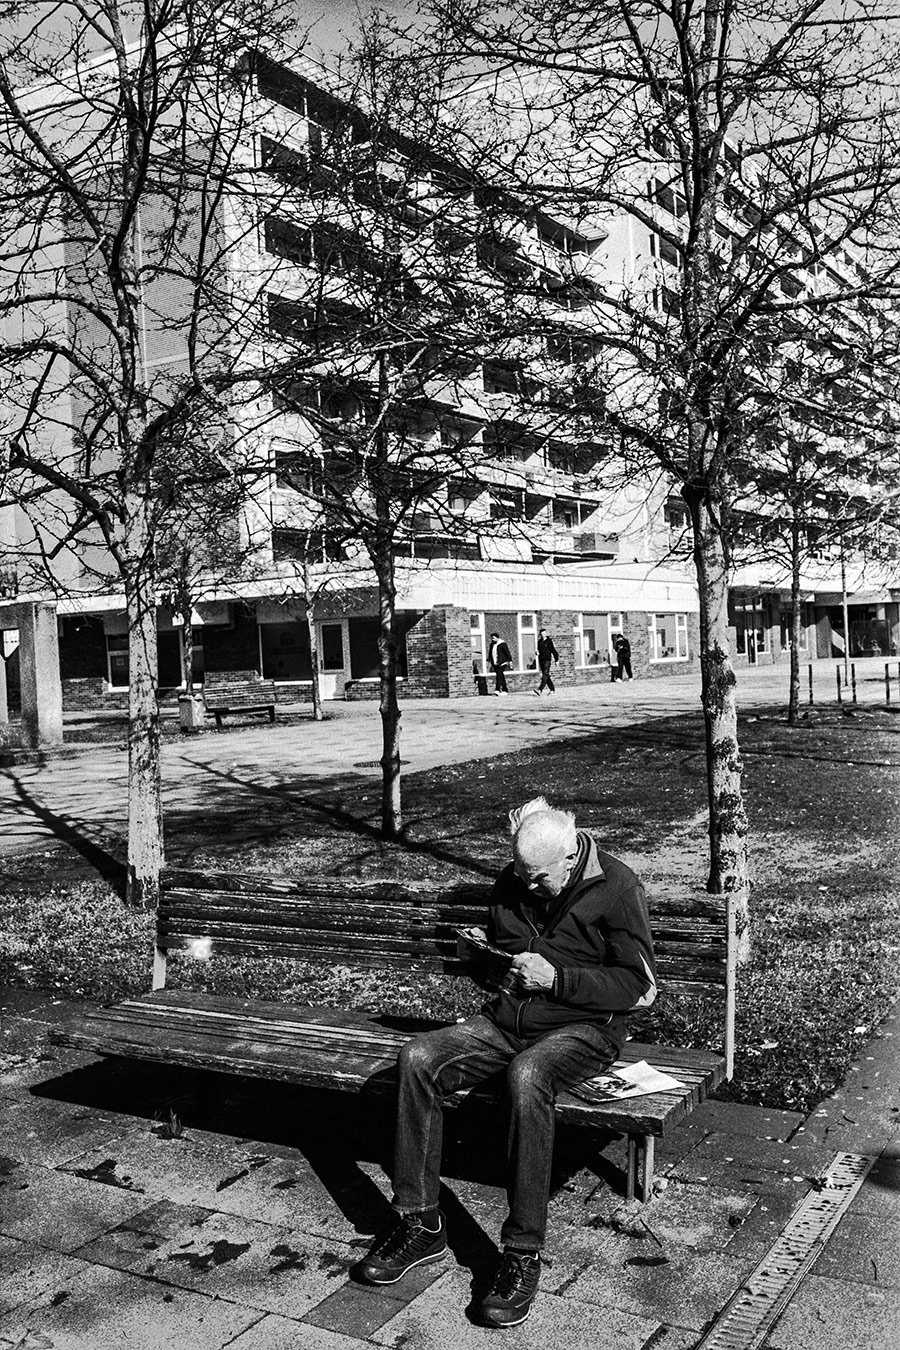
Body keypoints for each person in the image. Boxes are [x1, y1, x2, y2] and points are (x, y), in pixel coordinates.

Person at [359, 797, 657, 1328]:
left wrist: (559, 980)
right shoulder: (514, 880)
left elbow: (639, 988)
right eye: (522, 875)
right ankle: (422, 1223)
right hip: (507, 1022)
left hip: (585, 1030)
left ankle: (522, 1253)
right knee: (418, 1057)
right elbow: (501, 950)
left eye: (539, 878)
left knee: (529, 1076)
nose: (529, 886)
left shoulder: (618, 886)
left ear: (570, 856)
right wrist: (487, 964)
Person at [534, 628, 559, 695]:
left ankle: (540, 689)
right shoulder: (539, 642)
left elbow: (553, 650)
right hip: (541, 660)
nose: (543, 635)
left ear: (546, 634)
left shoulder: (549, 641)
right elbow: (538, 650)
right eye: (542, 634)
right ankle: (552, 689)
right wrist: (537, 653)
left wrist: (556, 660)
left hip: (547, 660)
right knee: (546, 675)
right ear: (540, 634)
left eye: (544, 634)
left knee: (545, 674)